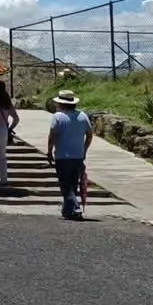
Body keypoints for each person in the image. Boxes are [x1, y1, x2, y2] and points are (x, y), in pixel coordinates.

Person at [47, 89, 93, 220]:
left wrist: (49, 151)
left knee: (65, 185)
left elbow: (52, 136)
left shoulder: (57, 117)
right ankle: (67, 210)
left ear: (61, 104)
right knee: (72, 183)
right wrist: (84, 149)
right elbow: (89, 134)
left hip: (62, 155)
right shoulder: (83, 116)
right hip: (78, 155)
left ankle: (75, 207)